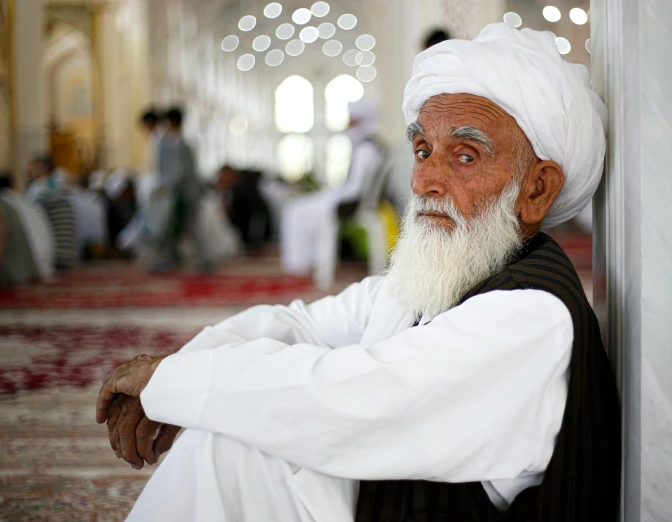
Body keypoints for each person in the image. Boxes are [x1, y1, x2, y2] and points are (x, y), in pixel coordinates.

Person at [96, 24, 620, 522]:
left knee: (228, 444)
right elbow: (303, 324)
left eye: (464, 155)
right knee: (229, 442)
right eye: (422, 151)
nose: (426, 181)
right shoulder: (450, 270)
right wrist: (180, 369)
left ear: (537, 189)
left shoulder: (531, 313)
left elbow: (353, 402)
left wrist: (175, 386)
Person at [280, 100, 386, 275]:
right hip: (351, 200)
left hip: (350, 204)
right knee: (299, 206)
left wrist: (330, 196)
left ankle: (299, 266)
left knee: (295, 209)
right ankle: (308, 261)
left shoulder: (366, 150)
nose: (348, 125)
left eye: (352, 121)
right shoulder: (368, 147)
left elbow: (355, 189)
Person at [151, 107, 211, 272]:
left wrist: (166, 187)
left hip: (186, 195)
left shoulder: (180, 145)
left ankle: (204, 260)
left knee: (189, 227)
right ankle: (170, 259)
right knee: (172, 228)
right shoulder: (174, 143)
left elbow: (180, 172)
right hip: (180, 194)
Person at [25, 155, 78, 270]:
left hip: (55, 256)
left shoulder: (39, 189)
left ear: (42, 168)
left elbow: (33, 224)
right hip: (69, 253)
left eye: (31, 167)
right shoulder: (58, 184)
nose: (27, 170)